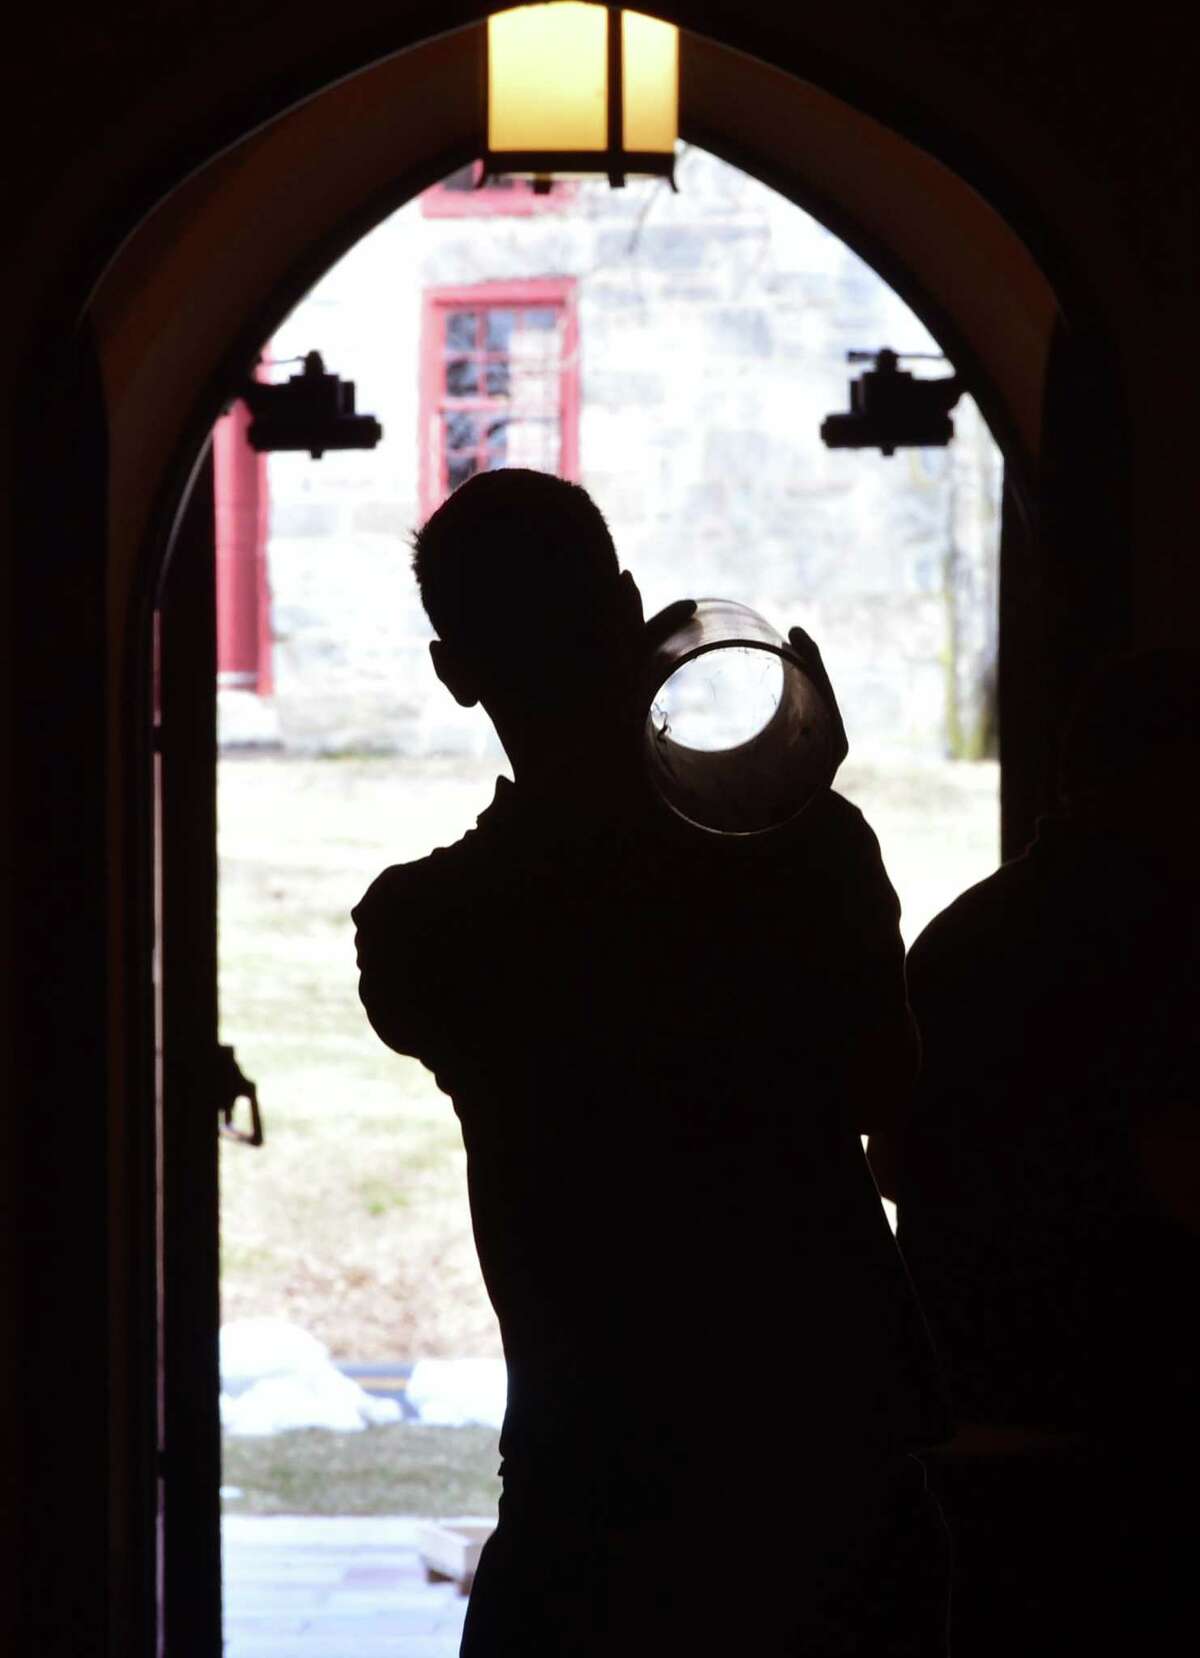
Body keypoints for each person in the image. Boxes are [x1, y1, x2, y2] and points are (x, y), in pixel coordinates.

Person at [353, 469, 950, 1655]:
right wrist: (789, 803)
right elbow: (894, 1106)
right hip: (829, 1454)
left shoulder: (424, 926)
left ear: (453, 671)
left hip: (594, 1475)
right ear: (631, 610)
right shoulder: (808, 853)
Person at [879, 649, 1200, 1654]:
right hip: (1139, 1436)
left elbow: (893, 1159)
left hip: (973, 1422)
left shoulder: (962, 937)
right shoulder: (1174, 944)